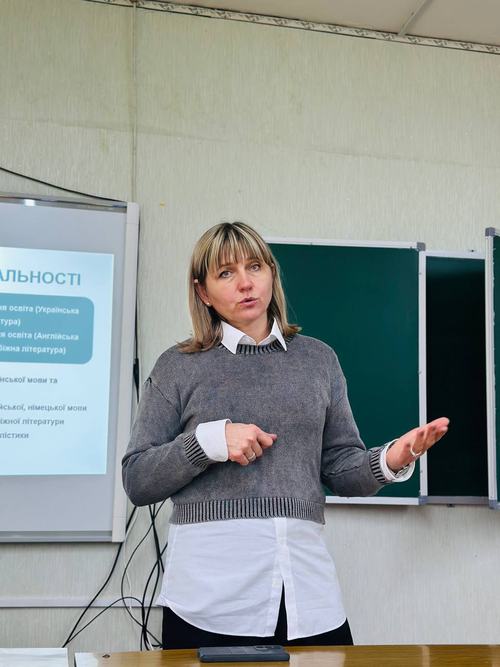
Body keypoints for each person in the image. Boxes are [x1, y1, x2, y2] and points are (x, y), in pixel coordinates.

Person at [122, 221, 449, 649]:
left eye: (255, 267)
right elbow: (138, 479)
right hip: (209, 603)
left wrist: (392, 458)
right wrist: (209, 442)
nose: (245, 283)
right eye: (226, 273)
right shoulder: (177, 366)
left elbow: (341, 469)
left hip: (308, 598)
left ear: (271, 273)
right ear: (203, 292)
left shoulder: (318, 360)